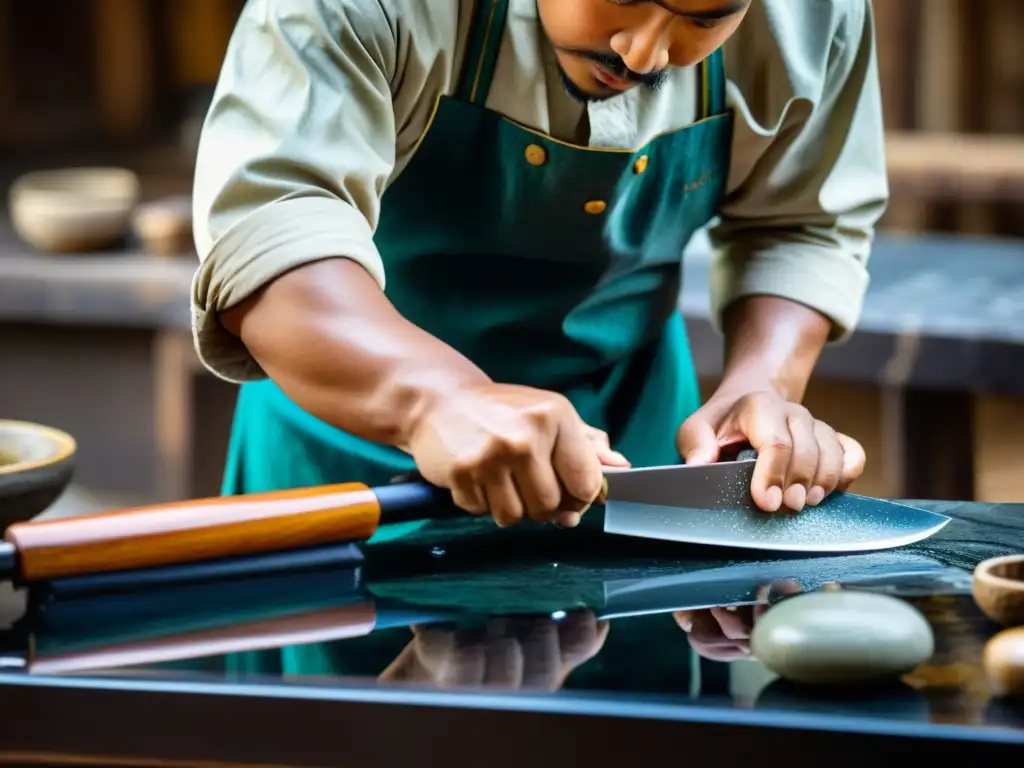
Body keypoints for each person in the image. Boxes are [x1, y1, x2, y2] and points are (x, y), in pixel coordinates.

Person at [192, 0, 886, 542]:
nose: (643, 52)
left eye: (705, 19)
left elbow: (798, 222)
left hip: (637, 460)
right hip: (352, 456)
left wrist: (759, 390)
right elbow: (273, 230)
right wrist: (433, 400)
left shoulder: (810, 19)